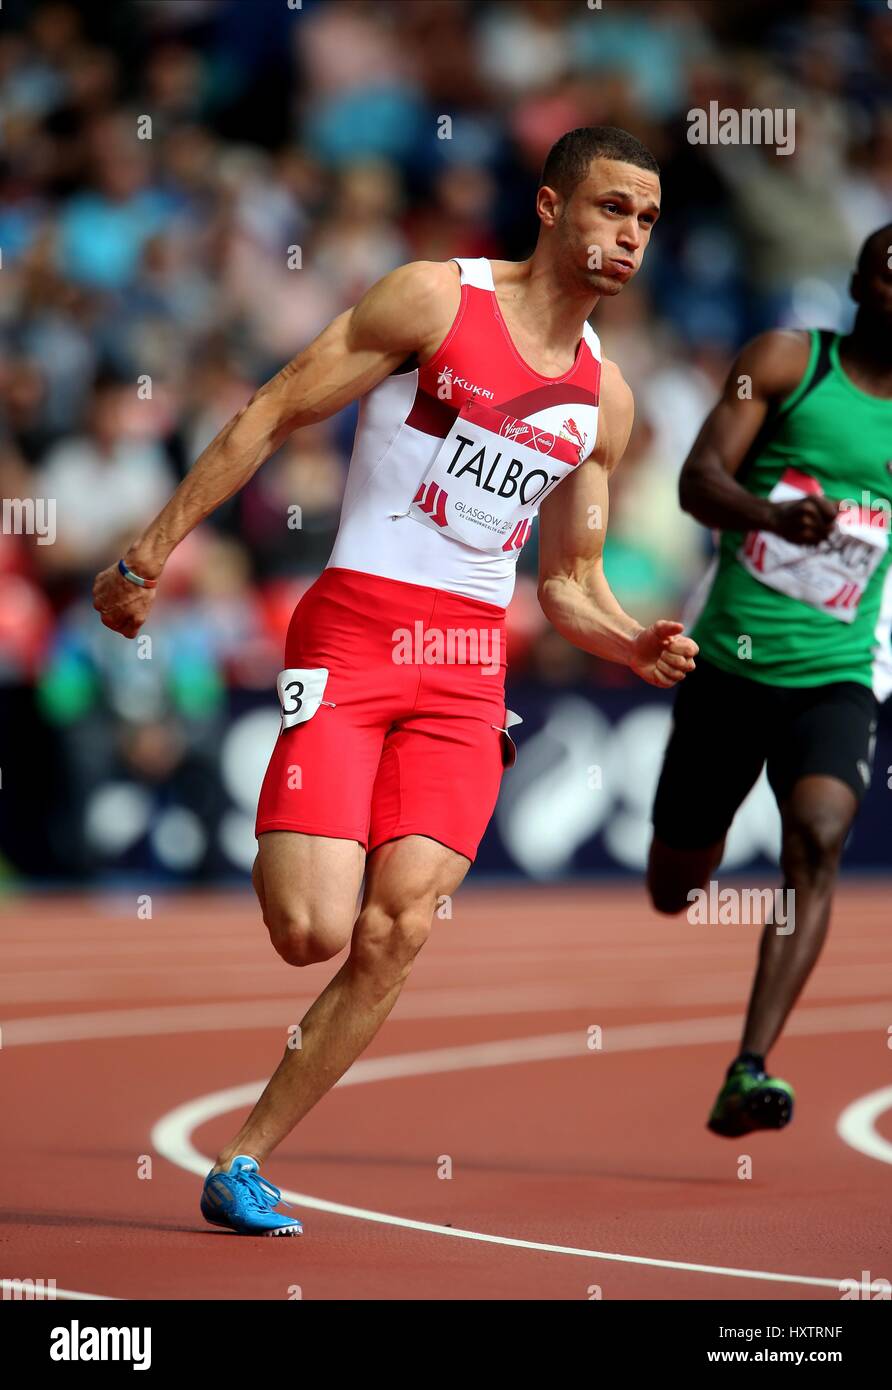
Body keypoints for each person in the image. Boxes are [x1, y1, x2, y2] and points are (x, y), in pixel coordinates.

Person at [93, 126, 697, 1235]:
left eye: (647, 221)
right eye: (612, 208)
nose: (629, 236)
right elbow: (273, 406)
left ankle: (243, 1159)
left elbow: (567, 581)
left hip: (469, 667)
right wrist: (149, 552)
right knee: (310, 929)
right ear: (552, 207)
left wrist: (627, 643)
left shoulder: (603, 401)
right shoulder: (433, 300)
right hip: (356, 632)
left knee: (398, 927)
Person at [647, 224, 892, 1139]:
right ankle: (681, 862)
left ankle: (748, 1068)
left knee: (820, 838)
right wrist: (774, 517)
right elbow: (695, 480)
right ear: (863, 284)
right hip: (732, 662)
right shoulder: (789, 361)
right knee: (676, 879)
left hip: (838, 668)